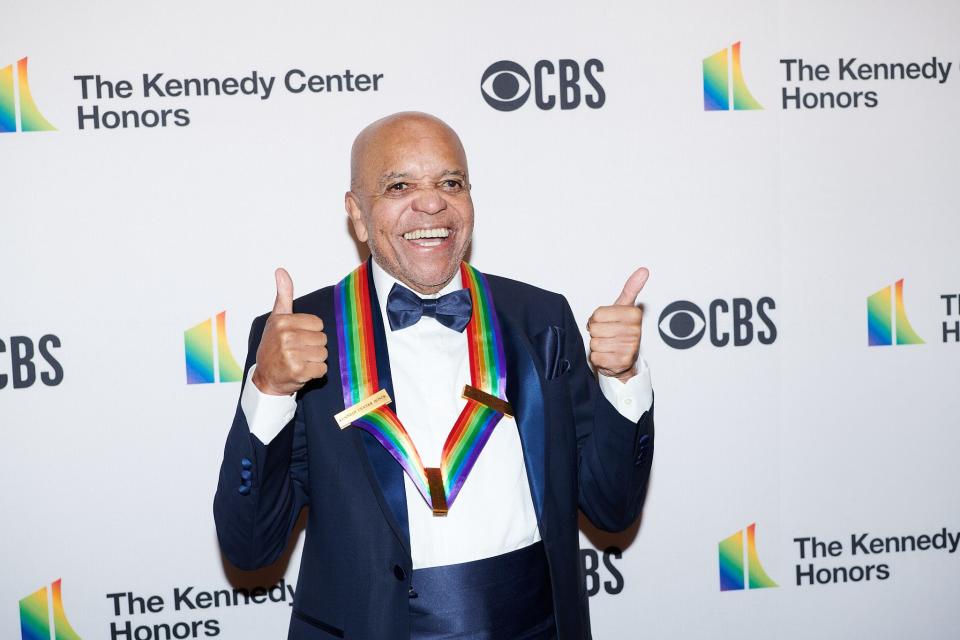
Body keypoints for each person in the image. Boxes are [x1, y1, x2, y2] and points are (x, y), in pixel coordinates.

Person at [214, 112, 655, 639]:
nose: (431, 203)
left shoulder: (542, 319)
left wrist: (622, 379)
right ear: (357, 215)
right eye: (399, 185)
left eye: (451, 183)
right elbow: (250, 544)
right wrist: (270, 390)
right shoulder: (298, 338)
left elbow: (611, 508)